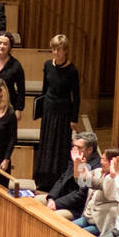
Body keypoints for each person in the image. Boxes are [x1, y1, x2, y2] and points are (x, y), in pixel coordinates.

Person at [34, 35, 82, 191]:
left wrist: (74, 118)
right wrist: (40, 110)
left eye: (58, 49)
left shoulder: (72, 70)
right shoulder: (48, 65)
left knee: (59, 146)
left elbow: (76, 97)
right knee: (46, 144)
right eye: (53, 48)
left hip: (63, 113)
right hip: (48, 111)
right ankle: (44, 179)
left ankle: (58, 181)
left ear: (65, 51)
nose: (55, 52)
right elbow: (44, 89)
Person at [45, 132, 101, 220]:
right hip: (61, 198)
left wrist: (56, 203)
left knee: (50, 217)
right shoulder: (76, 156)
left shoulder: (96, 167)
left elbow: (80, 195)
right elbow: (62, 179)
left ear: (89, 150)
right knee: (35, 202)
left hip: (75, 208)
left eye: (79, 147)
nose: (74, 150)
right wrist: (51, 198)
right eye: (74, 146)